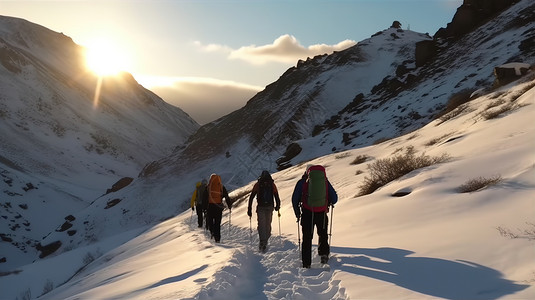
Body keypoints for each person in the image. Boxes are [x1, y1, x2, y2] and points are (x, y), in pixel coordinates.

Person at [292, 165, 338, 268]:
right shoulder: (325, 181)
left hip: (307, 213)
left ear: (307, 172)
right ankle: (324, 256)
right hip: (321, 212)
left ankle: (306, 263)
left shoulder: (302, 182)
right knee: (323, 234)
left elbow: (295, 199)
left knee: (307, 238)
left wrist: (297, 213)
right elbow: (334, 198)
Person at [247, 170, 281, 253]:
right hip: (270, 207)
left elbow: (251, 197)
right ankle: (265, 240)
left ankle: (263, 242)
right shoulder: (272, 184)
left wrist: (249, 209)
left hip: (261, 207)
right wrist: (278, 206)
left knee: (261, 224)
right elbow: (276, 196)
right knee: (268, 224)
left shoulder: (258, 184)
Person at [206, 173, 232, 243]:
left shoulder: (208, 187)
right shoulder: (221, 187)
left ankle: (212, 232)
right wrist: (229, 205)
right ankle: (217, 238)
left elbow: (205, 198)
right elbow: (226, 196)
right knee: (217, 223)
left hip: (210, 207)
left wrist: (204, 207)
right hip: (218, 207)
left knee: (210, 221)